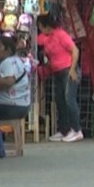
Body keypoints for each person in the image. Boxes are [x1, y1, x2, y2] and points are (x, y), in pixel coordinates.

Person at [37, 14, 83, 142]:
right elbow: (39, 42)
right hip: (57, 71)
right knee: (60, 100)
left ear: (46, 26)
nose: (39, 29)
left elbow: (75, 50)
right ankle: (64, 129)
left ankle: (76, 129)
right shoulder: (46, 37)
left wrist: (73, 69)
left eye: (40, 26)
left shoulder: (61, 35)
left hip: (68, 70)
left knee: (69, 99)